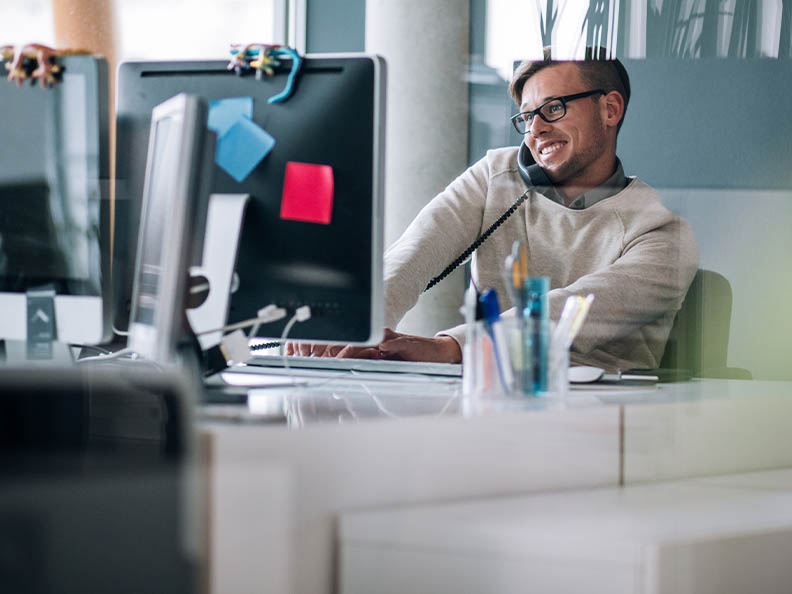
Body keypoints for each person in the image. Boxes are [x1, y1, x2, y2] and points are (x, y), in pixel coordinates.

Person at [291, 47, 699, 372]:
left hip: (600, 424)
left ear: (610, 109)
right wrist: (351, 321)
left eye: (553, 109)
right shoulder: (497, 176)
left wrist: (451, 347)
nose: (536, 130)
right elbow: (413, 254)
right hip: (484, 402)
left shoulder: (662, 234)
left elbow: (567, 313)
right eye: (526, 117)